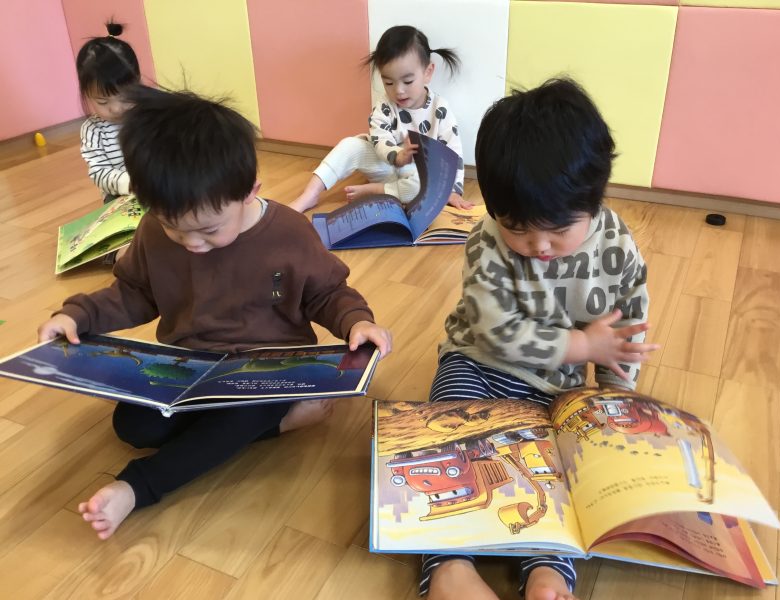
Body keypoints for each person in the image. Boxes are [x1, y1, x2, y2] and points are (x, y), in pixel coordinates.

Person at [36, 87, 393, 540]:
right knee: (133, 425)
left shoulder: (288, 233)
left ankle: (139, 486)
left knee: (244, 414)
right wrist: (77, 316)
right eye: (173, 227)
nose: (192, 243)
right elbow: (132, 293)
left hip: (268, 371)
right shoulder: (154, 231)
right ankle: (277, 426)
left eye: (208, 230)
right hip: (191, 367)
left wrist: (357, 321)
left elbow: (327, 293)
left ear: (248, 191)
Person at [423, 79, 658, 600]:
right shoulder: (486, 240)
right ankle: (448, 566)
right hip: (478, 364)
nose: (539, 246)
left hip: (557, 389)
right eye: (518, 229)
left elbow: (622, 338)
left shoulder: (617, 246)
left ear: (593, 202)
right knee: (448, 445)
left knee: (559, 471)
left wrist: (613, 404)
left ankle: (548, 568)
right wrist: (582, 348)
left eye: (558, 230)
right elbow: (494, 331)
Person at [290, 25, 472, 213]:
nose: (398, 90)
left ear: (428, 72)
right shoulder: (385, 105)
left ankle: (376, 191)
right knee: (350, 145)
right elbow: (380, 140)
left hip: (416, 177)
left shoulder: (440, 109)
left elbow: (454, 153)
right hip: (386, 167)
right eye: (389, 82)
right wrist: (399, 156)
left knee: (425, 186)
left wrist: (452, 191)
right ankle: (310, 194)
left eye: (408, 81)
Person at [76, 21, 140, 203]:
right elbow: (99, 172)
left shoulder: (149, 114)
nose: (116, 108)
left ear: (138, 82)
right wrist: (130, 184)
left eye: (125, 97)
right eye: (103, 101)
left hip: (157, 186)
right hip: (119, 193)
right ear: (87, 95)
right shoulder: (93, 130)